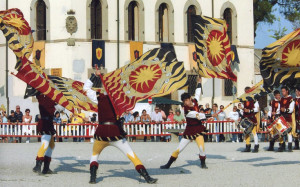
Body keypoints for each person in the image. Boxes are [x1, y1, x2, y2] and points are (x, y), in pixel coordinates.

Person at [83, 72, 157, 184]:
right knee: (131, 155)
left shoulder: (99, 97)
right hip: (115, 133)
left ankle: (92, 178)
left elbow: (86, 88)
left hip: (101, 132)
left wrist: (94, 75)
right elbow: (133, 91)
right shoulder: (120, 99)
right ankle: (147, 177)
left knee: (94, 155)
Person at [160, 77, 208, 169]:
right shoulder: (187, 111)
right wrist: (209, 116)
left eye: (186, 100)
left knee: (202, 148)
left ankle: (203, 163)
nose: (185, 103)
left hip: (198, 129)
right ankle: (168, 164)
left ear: (190, 99)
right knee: (179, 149)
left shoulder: (195, 101)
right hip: (189, 131)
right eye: (184, 101)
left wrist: (199, 83)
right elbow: (198, 115)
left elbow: (197, 93)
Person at [32, 93, 57, 174]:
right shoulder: (43, 97)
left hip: (48, 123)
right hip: (45, 123)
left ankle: (46, 168)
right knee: (45, 144)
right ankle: (37, 166)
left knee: (51, 145)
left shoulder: (48, 97)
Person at [241, 87, 260, 153]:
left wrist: (249, 110)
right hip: (246, 117)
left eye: (248, 91)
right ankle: (247, 146)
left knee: (254, 132)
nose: (246, 93)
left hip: (252, 117)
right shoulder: (244, 100)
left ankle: (256, 146)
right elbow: (243, 108)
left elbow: (257, 109)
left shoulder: (254, 100)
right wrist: (242, 109)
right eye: (246, 91)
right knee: (246, 132)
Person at [279, 86, 294, 152]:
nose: (282, 92)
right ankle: (282, 145)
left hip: (288, 117)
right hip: (282, 117)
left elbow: (291, 109)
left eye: (284, 91)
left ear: (287, 91)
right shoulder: (281, 99)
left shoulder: (291, 99)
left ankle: (290, 146)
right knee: (281, 132)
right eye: (282, 91)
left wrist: (285, 110)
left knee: (289, 132)